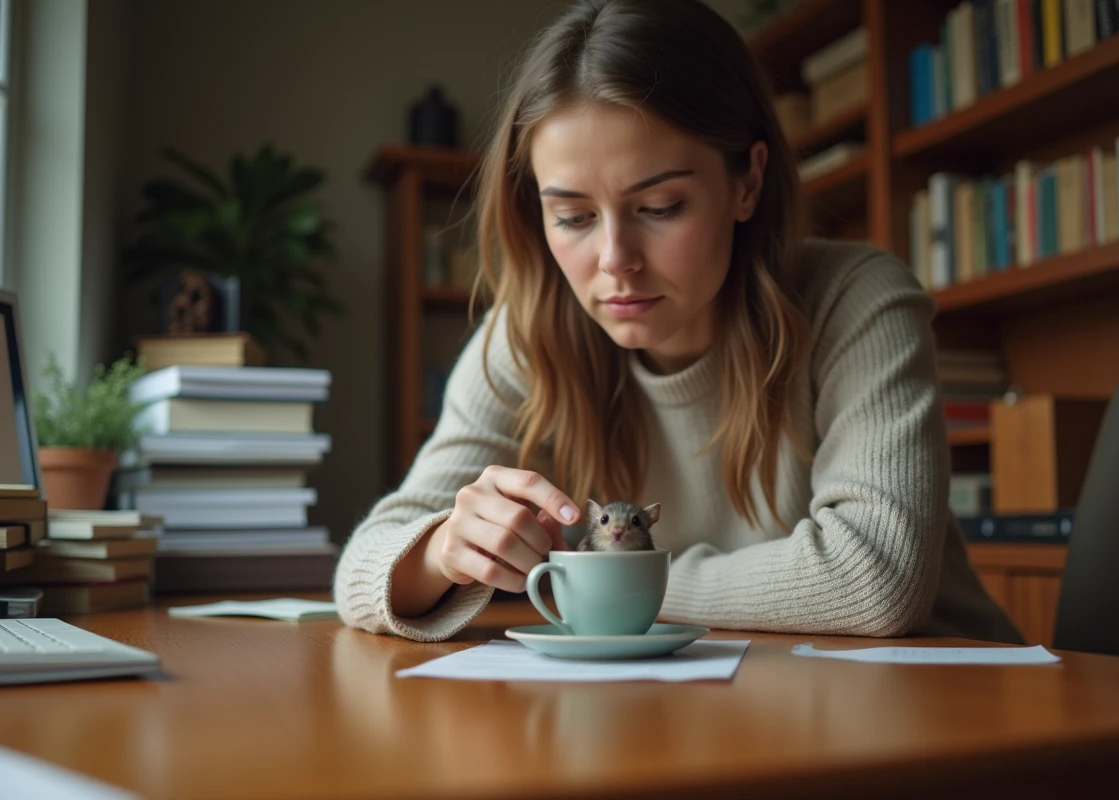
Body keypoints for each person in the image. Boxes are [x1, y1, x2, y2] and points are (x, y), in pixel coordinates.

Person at [333, 0, 1023, 645]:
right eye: (571, 216)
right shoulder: (527, 335)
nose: (614, 262)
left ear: (747, 182)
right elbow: (364, 567)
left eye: (660, 206)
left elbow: (875, 578)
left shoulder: (857, 300)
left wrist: (602, 584)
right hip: (721, 719)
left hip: (947, 718)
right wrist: (441, 550)